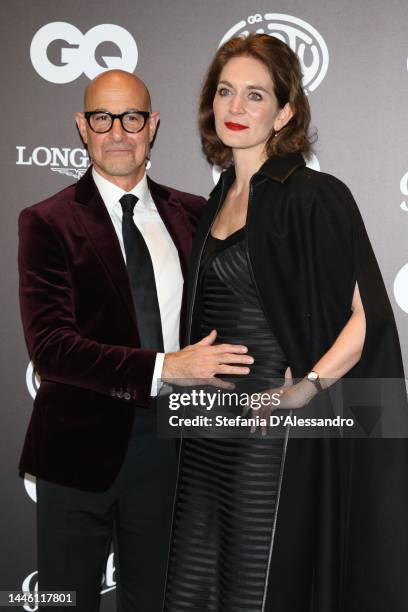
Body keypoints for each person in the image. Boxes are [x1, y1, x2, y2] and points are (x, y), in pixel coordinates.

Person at [163, 34, 408, 611]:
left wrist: (305, 388)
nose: (236, 108)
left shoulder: (314, 196)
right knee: (192, 592)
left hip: (268, 437)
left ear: (286, 111)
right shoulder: (218, 195)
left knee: (256, 592)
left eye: (255, 95)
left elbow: (366, 313)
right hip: (205, 428)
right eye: (225, 92)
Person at [17, 69, 254, 612]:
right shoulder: (47, 222)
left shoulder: (196, 213)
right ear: (83, 125)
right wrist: (166, 367)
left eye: (131, 117)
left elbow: (237, 310)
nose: (117, 131)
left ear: (153, 125)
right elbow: (51, 347)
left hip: (175, 452)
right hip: (76, 452)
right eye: (102, 117)